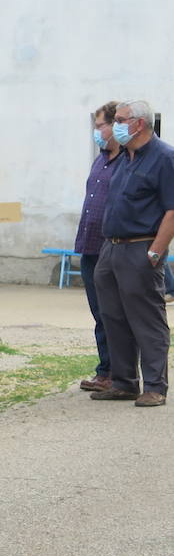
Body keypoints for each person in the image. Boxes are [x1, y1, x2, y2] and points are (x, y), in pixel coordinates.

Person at [91, 99, 174, 407]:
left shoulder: (164, 157)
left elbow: (172, 210)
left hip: (141, 248)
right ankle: (125, 382)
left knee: (147, 319)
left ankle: (155, 386)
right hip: (110, 248)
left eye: (121, 120)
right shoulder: (126, 157)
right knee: (113, 317)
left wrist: (155, 252)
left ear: (139, 123)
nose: (115, 126)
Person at [75, 101, 123, 392]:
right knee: (99, 313)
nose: (97, 131)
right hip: (90, 246)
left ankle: (120, 372)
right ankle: (105, 370)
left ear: (114, 125)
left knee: (115, 313)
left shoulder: (129, 160)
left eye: (100, 125)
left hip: (113, 247)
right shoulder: (102, 158)